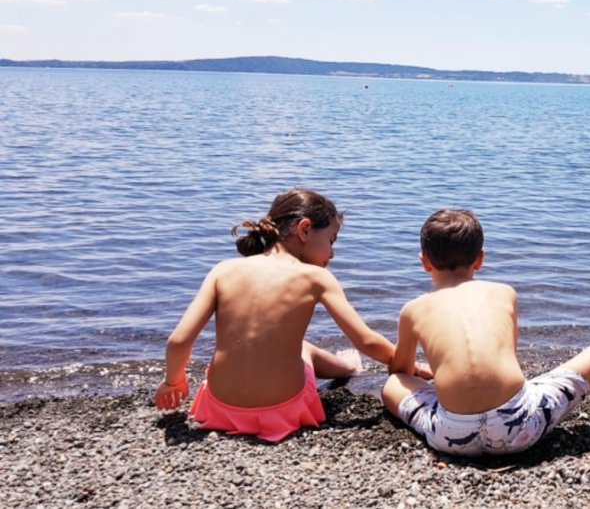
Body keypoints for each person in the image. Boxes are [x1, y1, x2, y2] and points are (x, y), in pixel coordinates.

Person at [154, 188, 413, 443]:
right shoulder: (317, 277)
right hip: (284, 410)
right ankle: (348, 367)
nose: (332, 253)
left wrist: (173, 383)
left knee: (285, 345)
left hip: (220, 408)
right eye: (331, 241)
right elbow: (365, 341)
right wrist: (410, 364)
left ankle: (346, 366)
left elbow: (178, 341)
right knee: (302, 348)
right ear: (305, 229)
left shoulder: (224, 270)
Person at [382, 208, 590, 457]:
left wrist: (429, 373)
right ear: (480, 259)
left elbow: (399, 372)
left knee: (392, 384)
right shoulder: (504, 293)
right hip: (520, 427)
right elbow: (508, 355)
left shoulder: (412, 310)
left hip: (451, 436)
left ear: (424, 261)